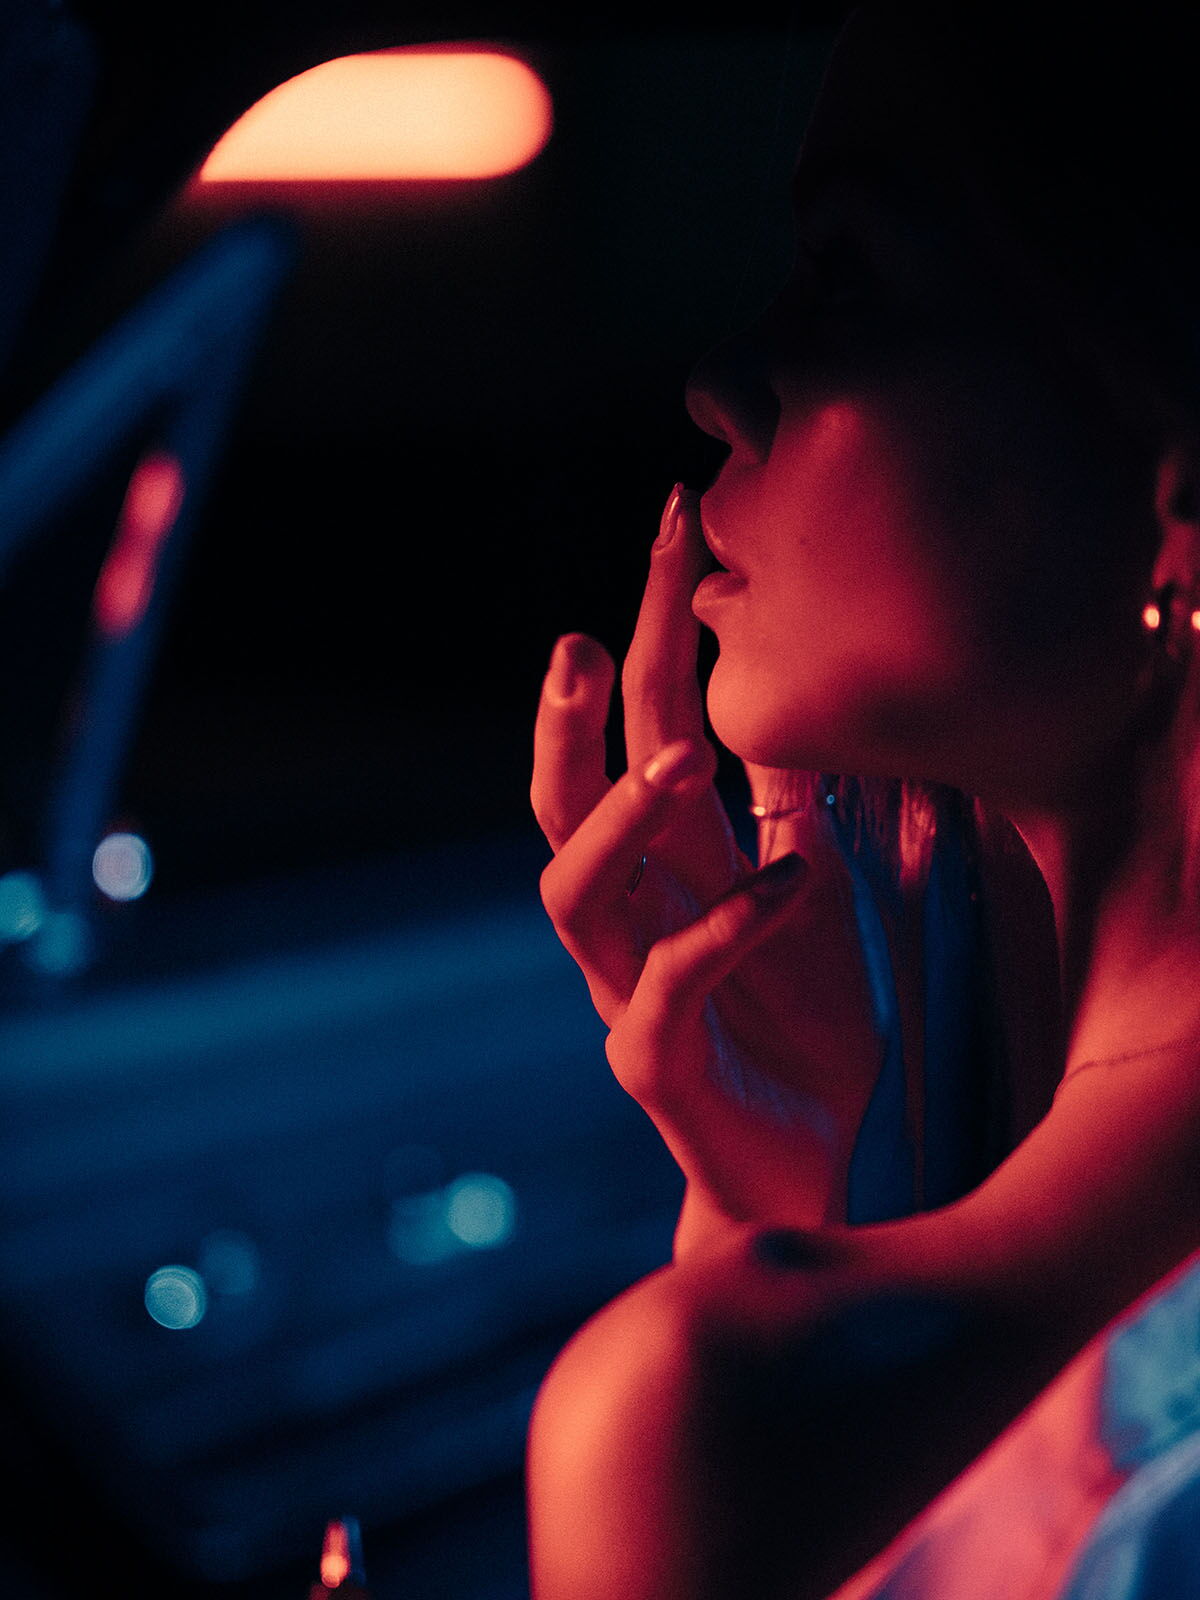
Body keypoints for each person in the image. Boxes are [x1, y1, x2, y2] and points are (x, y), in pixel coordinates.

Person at [526, 5, 1200, 1596]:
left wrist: (756, 1305)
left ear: (1180, 485)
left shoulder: (720, 1410)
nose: (720, 384)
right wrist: (763, 1208)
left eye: (846, 280)